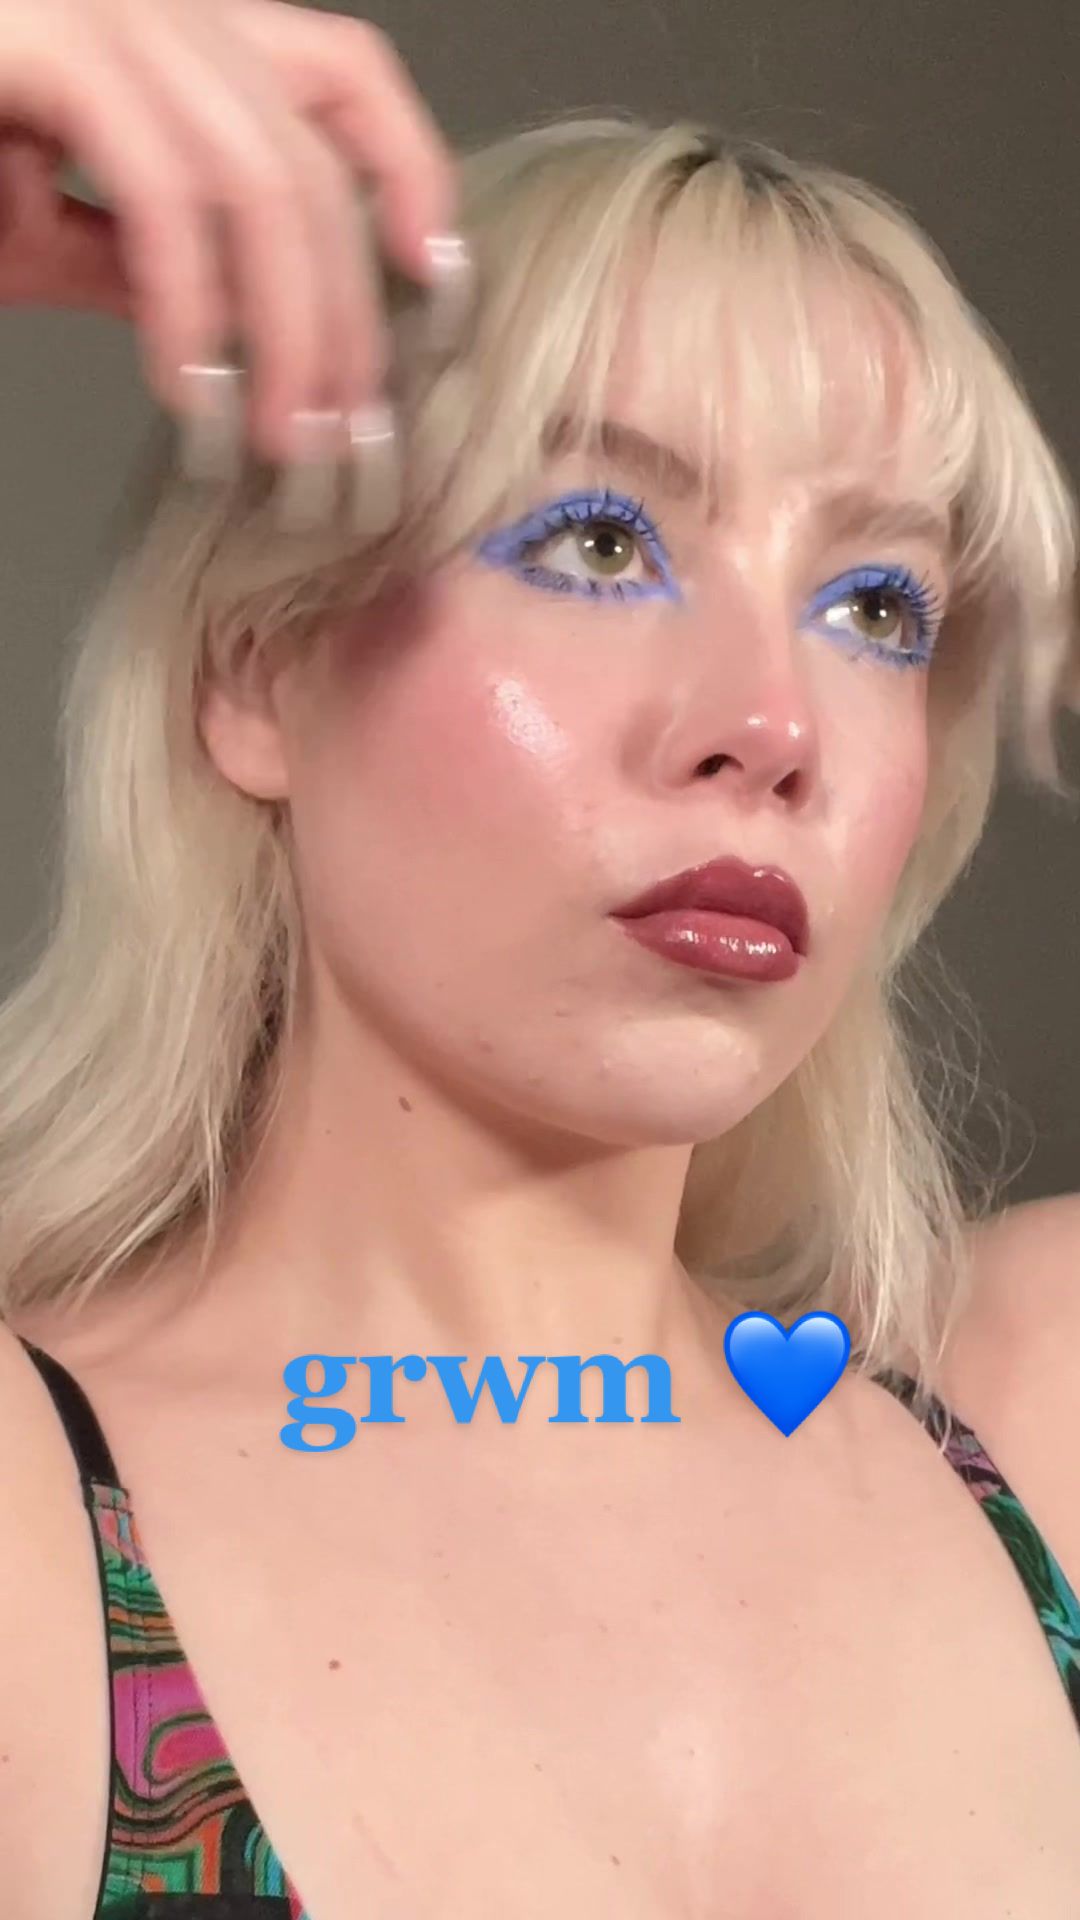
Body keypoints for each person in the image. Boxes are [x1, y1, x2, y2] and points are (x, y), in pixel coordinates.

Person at [0, 1, 1078, 1914]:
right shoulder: (33, 1536)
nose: (775, 727)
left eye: (876, 604)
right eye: (595, 540)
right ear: (259, 669)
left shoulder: (1045, 1410)